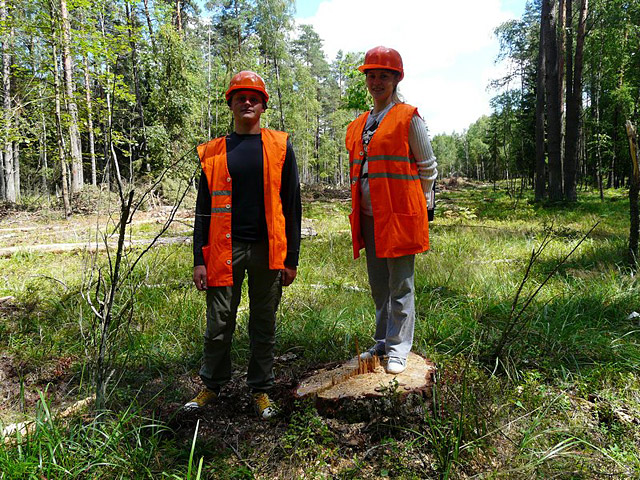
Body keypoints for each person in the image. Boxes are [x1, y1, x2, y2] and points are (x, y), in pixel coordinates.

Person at [185, 71, 301, 418]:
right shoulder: (213, 152)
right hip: (224, 250)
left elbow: (292, 205)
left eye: (254, 98)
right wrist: (199, 258)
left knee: (263, 324)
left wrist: (292, 258)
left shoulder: (280, 146)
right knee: (218, 324)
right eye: (240, 97)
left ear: (263, 105)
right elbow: (203, 210)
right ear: (231, 104)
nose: (247, 102)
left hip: (268, 250)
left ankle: (261, 390)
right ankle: (211, 385)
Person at [345, 46, 437, 375]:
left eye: (384, 75)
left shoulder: (408, 117)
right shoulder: (359, 124)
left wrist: (420, 203)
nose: (376, 82)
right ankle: (383, 340)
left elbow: (428, 167)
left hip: (400, 217)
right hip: (369, 216)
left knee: (401, 285)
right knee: (379, 286)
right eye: (371, 75)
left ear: (396, 79)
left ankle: (399, 348)